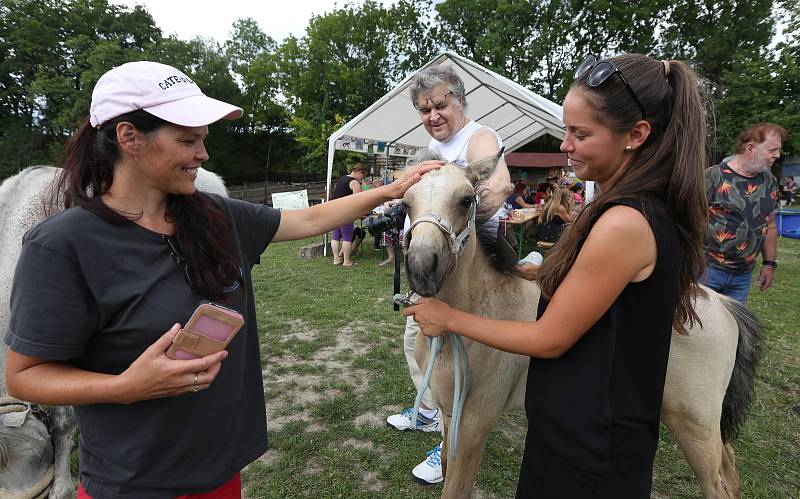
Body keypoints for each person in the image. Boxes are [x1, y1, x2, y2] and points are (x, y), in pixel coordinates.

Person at [3, 61, 441, 499]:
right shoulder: (62, 245)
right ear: (129, 138)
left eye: (204, 140)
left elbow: (308, 218)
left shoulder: (216, 215)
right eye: (188, 140)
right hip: (136, 481)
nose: (203, 155)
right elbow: (26, 376)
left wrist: (390, 190)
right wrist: (124, 387)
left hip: (220, 470)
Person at [402, 54, 708, 496]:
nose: (565, 144)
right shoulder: (627, 207)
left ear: (636, 135)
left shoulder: (624, 222)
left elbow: (550, 338)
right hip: (581, 426)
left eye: (580, 133)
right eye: (567, 130)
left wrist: (449, 318)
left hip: (589, 444)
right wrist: (541, 276)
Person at [384, 64, 511, 485]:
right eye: (424, 109)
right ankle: (429, 409)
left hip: (476, 267)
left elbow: (499, 184)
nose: (433, 115)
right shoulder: (431, 150)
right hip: (432, 266)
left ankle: (449, 434)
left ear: (459, 99)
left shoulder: (479, 136)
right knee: (416, 341)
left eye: (441, 104)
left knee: (459, 358)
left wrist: (467, 205)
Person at [700, 123, 786, 303]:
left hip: (742, 277)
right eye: (772, 150)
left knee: (735, 329)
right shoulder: (713, 177)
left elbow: (769, 226)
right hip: (707, 271)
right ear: (750, 148)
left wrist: (769, 264)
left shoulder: (769, 181)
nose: (777, 155)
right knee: (699, 327)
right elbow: (688, 220)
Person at [330, 163, 369, 267]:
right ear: (360, 172)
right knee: (347, 237)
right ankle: (347, 262)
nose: (362, 179)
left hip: (335, 210)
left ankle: (336, 259)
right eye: (363, 176)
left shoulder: (342, 178)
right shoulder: (354, 182)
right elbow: (358, 200)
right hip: (345, 212)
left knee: (336, 236)